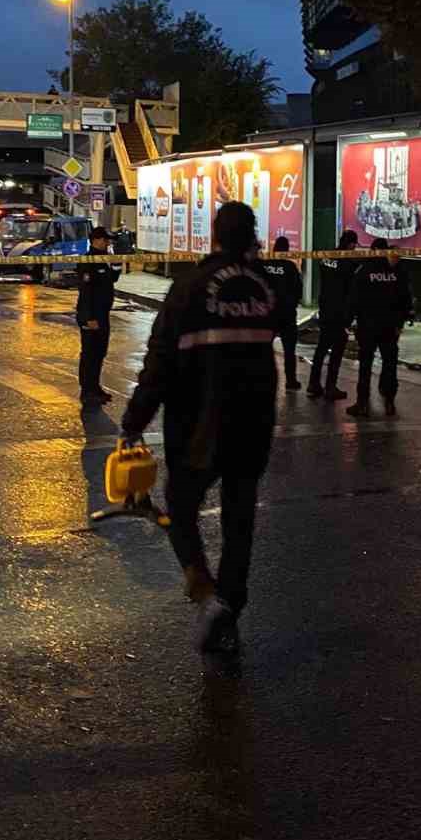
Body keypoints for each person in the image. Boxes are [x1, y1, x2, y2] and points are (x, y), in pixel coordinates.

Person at [120, 202, 277, 654]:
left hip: (200, 426)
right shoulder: (263, 286)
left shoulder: (189, 286)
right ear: (251, 235)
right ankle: (230, 604)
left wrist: (134, 422)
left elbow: (160, 363)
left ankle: (204, 590)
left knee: (179, 506)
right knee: (239, 518)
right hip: (255, 423)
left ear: (214, 235)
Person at [345, 238, 415, 419]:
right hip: (389, 327)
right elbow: (405, 298)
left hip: (368, 326)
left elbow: (354, 299)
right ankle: (389, 401)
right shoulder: (397, 272)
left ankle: (362, 404)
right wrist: (402, 321)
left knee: (366, 365)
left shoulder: (364, 270)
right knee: (389, 364)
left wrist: (349, 321)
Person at [306, 230, 359, 401]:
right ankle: (330, 387)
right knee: (337, 350)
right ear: (351, 244)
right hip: (339, 313)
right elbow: (350, 292)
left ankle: (313, 384)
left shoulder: (327, 257)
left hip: (325, 308)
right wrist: (349, 317)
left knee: (321, 348)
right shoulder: (349, 264)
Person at [75, 226, 118, 407]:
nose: (108, 243)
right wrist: (88, 318)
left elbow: (112, 279)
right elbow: (86, 292)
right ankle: (87, 391)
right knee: (89, 354)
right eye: (105, 240)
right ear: (97, 240)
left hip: (103, 314)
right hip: (91, 314)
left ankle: (95, 387)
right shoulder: (88, 260)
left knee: (100, 352)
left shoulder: (102, 259)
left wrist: (116, 263)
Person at [261, 236, 303, 392]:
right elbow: (298, 289)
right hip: (287, 315)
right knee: (289, 350)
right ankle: (290, 380)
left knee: (264, 349)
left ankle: (263, 379)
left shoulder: (265, 265)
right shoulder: (290, 267)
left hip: (268, 314)